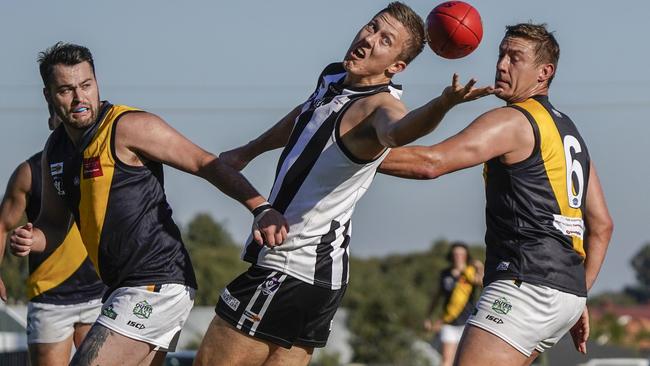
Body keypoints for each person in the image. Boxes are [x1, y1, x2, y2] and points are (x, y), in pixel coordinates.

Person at [194, 3, 497, 365]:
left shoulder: (380, 107)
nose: (369, 39)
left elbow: (399, 131)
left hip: (290, 265)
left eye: (385, 40)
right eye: (371, 27)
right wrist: (249, 150)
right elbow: (305, 116)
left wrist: (442, 104)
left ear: (396, 67)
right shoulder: (334, 78)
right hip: (318, 277)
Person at [9, 42, 288, 366]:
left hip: (157, 282)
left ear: (97, 82)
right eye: (66, 90)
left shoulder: (127, 127)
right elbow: (54, 226)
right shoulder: (54, 150)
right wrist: (32, 238)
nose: (79, 98)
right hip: (122, 288)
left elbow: (203, 162)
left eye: (86, 86)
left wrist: (261, 208)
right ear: (48, 96)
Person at [379, 23, 614, 365]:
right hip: (565, 295)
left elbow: (431, 163)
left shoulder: (513, 120)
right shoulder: (569, 133)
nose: (502, 65)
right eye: (501, 55)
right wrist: (578, 295)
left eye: (515, 58)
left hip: (523, 284)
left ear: (544, 72)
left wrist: (347, 156)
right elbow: (603, 226)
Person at [0, 105, 105, 365]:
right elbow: (3, 223)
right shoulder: (29, 171)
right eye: (60, 113)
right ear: (51, 120)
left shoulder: (100, 163)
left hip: (99, 293)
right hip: (50, 298)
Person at [423, 242, 483, 366]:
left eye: (462, 254)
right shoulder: (445, 274)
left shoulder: (470, 273)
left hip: (467, 322)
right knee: (447, 360)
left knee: (466, 361)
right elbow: (436, 297)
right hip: (448, 323)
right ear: (451, 255)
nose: (458, 257)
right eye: (456, 254)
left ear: (466, 256)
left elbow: (482, 283)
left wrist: (480, 267)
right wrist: (428, 317)